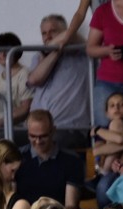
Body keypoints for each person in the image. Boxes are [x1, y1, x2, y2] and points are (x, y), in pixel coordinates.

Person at [28, 14, 92, 148]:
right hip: (36, 128)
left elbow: (71, 34)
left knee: (50, 145)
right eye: (44, 33)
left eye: (53, 31)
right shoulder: (39, 56)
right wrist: (55, 51)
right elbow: (35, 80)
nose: (48, 36)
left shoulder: (82, 52)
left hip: (68, 128)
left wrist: (55, 45)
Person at [15, 110, 85, 209]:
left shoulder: (71, 160)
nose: (38, 141)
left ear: (53, 131)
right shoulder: (17, 157)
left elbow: (70, 206)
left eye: (43, 136)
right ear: (27, 134)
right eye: (33, 136)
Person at [0, 33, 33, 132]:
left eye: (6, 50)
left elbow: (26, 108)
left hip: (19, 130)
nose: (2, 55)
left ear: (15, 51)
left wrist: (0, 122)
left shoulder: (24, 74)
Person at [91, 92, 123, 180]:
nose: (117, 108)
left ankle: (105, 173)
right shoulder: (103, 130)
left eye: (122, 105)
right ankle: (106, 172)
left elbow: (121, 139)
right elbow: (96, 151)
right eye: (112, 105)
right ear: (107, 113)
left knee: (117, 124)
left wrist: (97, 130)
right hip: (104, 164)